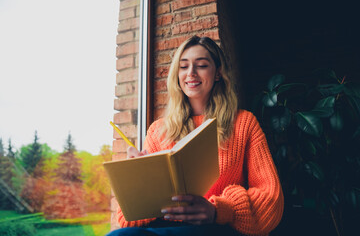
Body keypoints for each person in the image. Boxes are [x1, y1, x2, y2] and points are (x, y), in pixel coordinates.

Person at [107, 36, 284, 236]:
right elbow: (126, 219)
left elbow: (271, 201)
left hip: (219, 227)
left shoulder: (244, 123)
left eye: (201, 65)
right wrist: (136, 182)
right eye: (183, 67)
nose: (191, 73)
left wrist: (219, 210)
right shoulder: (158, 131)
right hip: (167, 227)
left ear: (217, 73)